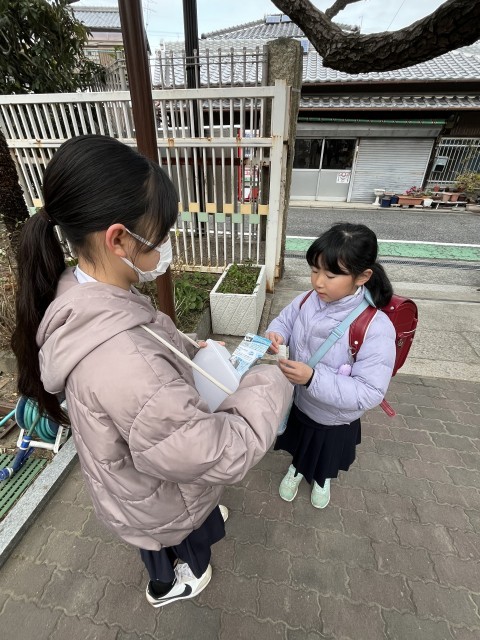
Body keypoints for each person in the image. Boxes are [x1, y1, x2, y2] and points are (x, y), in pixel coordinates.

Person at [12, 135, 293, 608]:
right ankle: (180, 582)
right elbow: (213, 453)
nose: (164, 247)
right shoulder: (125, 363)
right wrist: (271, 380)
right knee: (179, 543)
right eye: (159, 236)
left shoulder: (81, 291)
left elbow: (146, 350)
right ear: (119, 239)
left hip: (132, 487)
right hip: (161, 500)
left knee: (158, 537)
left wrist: (189, 350)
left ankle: (171, 566)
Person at [266, 223, 396, 509]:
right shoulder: (307, 300)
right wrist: (276, 334)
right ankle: (297, 469)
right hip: (300, 403)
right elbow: (284, 321)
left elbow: (370, 391)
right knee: (300, 446)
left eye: (331, 275)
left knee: (325, 456)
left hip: (334, 418)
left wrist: (313, 378)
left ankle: (322, 480)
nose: (318, 282)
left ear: (362, 277)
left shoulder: (376, 327)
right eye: (314, 270)